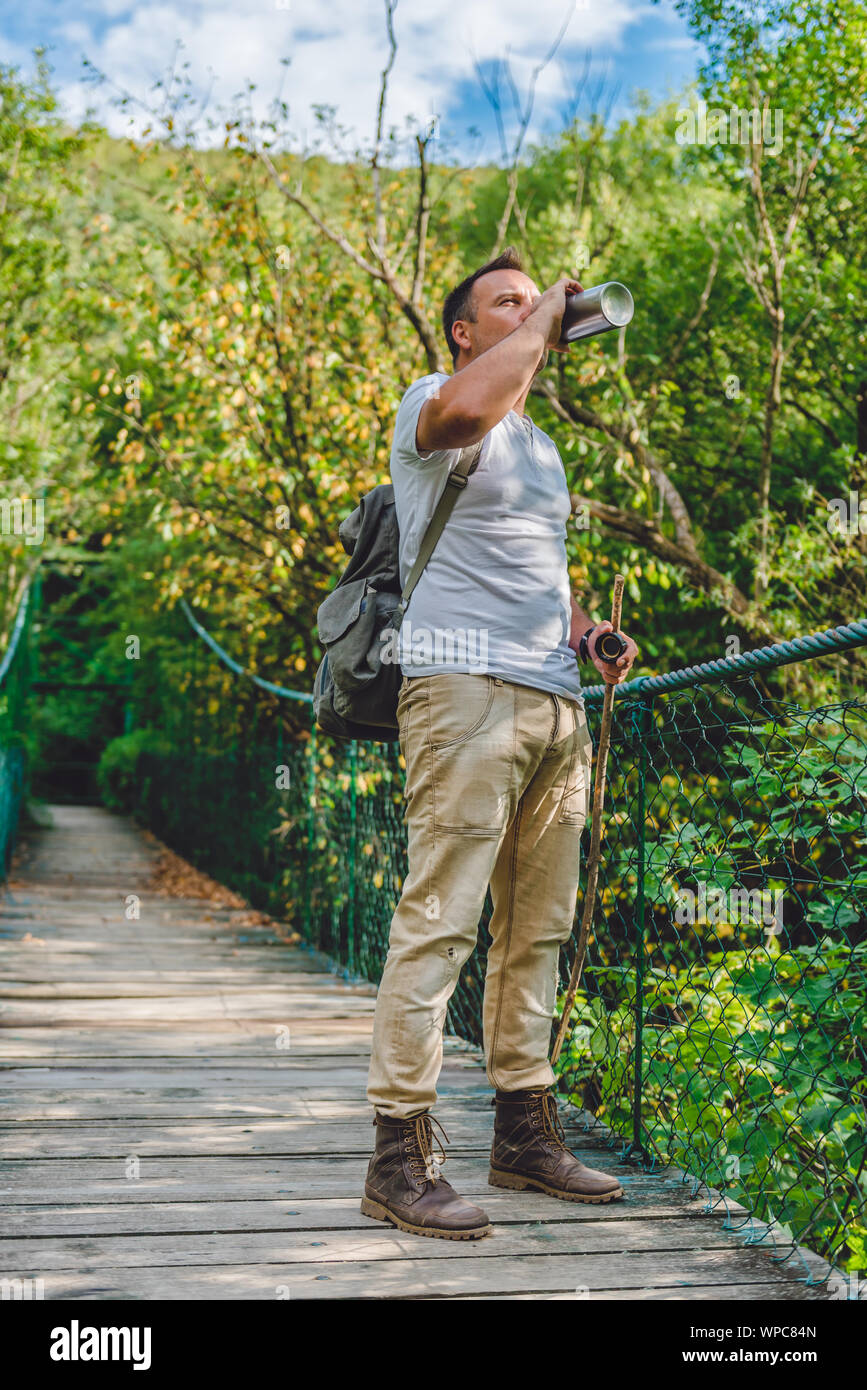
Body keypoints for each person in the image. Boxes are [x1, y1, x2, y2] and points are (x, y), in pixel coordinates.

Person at [360, 247, 639, 1240]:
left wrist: (588, 636)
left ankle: (524, 1130)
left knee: (540, 930)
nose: (536, 312)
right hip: (462, 691)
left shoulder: (545, 447)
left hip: (554, 704)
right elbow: (467, 416)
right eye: (507, 304)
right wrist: (544, 323)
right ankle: (399, 1155)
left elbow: (541, 570)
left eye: (541, 302)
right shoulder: (435, 397)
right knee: (441, 918)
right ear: (466, 331)